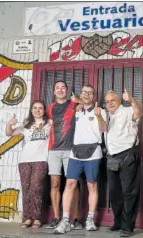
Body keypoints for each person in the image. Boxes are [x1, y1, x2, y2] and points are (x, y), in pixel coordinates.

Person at [54, 84, 107, 234]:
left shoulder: (100, 111)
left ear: (94, 96)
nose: (87, 94)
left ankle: (90, 219)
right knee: (70, 184)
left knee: (92, 186)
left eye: (90, 92)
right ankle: (65, 220)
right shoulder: (75, 110)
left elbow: (104, 129)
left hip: (93, 151)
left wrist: (98, 115)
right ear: (81, 94)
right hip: (75, 150)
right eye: (84, 92)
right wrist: (77, 104)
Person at [5, 100, 51, 229]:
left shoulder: (49, 124)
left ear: (44, 110)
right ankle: (27, 218)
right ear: (31, 110)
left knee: (36, 188)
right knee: (26, 190)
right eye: (35, 108)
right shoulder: (26, 125)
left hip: (41, 160)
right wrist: (10, 123)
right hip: (24, 161)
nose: (37, 110)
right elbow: (9, 133)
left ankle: (36, 218)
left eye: (40, 108)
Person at [104, 89, 142, 237]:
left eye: (112, 100)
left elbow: (138, 114)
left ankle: (127, 227)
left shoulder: (127, 110)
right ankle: (118, 222)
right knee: (114, 193)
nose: (109, 103)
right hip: (112, 157)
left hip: (128, 155)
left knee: (129, 192)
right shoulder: (107, 115)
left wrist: (132, 100)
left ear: (119, 100)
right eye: (107, 102)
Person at [45, 80, 82, 230]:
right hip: (53, 150)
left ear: (67, 91)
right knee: (54, 183)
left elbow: (88, 105)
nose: (60, 90)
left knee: (73, 184)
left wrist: (77, 99)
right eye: (57, 88)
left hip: (70, 150)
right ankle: (56, 217)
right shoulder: (49, 108)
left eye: (63, 88)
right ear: (53, 92)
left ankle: (75, 219)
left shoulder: (74, 104)